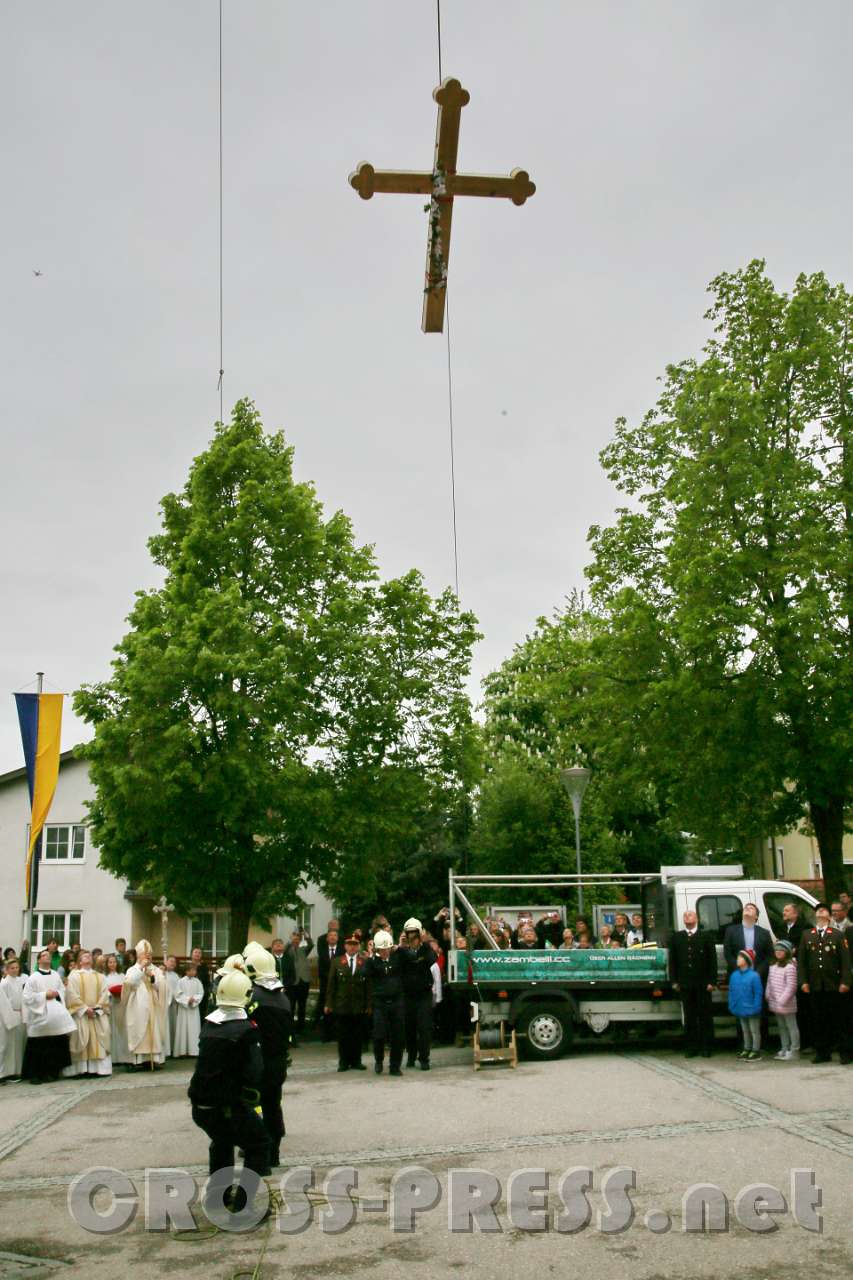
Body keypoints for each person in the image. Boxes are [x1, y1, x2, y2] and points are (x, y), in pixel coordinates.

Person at [188, 969, 271, 1216]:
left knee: (222, 1143)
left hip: (201, 1104)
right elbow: (255, 1073)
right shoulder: (247, 1029)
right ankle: (242, 1205)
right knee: (259, 1143)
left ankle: (217, 1200)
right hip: (225, 1104)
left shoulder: (209, 1024)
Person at [243, 943, 291, 1168]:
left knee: (251, 1107)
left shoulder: (253, 996)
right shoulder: (283, 998)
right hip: (278, 1061)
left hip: (258, 1061)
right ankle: (275, 1153)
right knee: (274, 1105)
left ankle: (259, 1154)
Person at [798, 903, 852, 1064]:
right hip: (815, 985)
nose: (820, 911)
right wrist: (803, 981)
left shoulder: (837, 935)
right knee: (819, 1020)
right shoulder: (807, 934)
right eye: (818, 910)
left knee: (839, 1020)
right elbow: (802, 961)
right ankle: (822, 1052)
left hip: (834, 984)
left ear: (829, 916)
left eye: (824, 910)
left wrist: (846, 981)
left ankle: (845, 1052)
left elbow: (846, 961)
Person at [21, 949, 75, 1083]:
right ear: (39, 960)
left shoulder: (56, 975)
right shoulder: (33, 977)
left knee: (56, 1042)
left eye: (49, 955)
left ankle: (53, 1072)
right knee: (39, 1044)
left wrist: (57, 993)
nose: (48, 957)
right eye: (44, 955)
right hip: (40, 1013)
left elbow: (61, 990)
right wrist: (44, 995)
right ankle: (36, 1074)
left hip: (55, 1014)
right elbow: (27, 997)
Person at [669, 910, 717, 1058]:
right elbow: (673, 961)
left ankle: (706, 1047)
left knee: (705, 1016)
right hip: (685, 983)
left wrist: (712, 981)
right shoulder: (677, 937)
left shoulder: (706, 936)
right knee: (689, 1017)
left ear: (697, 918)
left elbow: (712, 960)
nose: (687, 918)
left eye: (690, 915)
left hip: (702, 983)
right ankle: (691, 1047)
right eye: (685, 916)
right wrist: (674, 980)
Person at [325, 933, 370, 1072]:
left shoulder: (364, 962)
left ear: (358, 946)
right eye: (349, 944)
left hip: (358, 1005)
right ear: (345, 946)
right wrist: (328, 1004)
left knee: (357, 1035)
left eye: (355, 944)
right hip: (342, 1005)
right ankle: (343, 1062)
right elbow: (331, 985)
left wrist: (369, 1005)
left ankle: (356, 1061)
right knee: (343, 1035)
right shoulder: (337, 961)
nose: (352, 947)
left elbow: (368, 986)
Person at [63, 950, 112, 1077]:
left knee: (99, 1040)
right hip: (82, 1015)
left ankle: (98, 1069)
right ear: (79, 961)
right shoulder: (74, 976)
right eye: (85, 956)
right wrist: (85, 1009)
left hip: (96, 1014)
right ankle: (81, 1069)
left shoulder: (100, 976)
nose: (88, 957)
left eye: (89, 956)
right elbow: (71, 995)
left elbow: (105, 993)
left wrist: (97, 1008)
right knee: (81, 1038)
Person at [363, 929, 405, 1075]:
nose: (385, 952)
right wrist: (371, 957)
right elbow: (364, 973)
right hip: (380, 1003)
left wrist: (399, 947)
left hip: (396, 1002)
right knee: (379, 1035)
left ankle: (395, 1066)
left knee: (398, 1036)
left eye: (387, 948)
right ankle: (379, 1061)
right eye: (382, 949)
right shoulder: (373, 962)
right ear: (377, 949)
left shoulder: (397, 958)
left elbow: (411, 957)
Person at [122, 939, 167, 1070]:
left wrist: (152, 977)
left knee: (153, 1030)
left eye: (150, 955)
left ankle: (152, 1059)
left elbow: (161, 986)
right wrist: (141, 969)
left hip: (152, 1004)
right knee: (137, 1029)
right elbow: (129, 984)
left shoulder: (156, 969)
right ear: (138, 955)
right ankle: (138, 1060)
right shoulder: (132, 969)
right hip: (137, 1004)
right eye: (145, 954)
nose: (148, 957)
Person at [398, 918, 435, 1070]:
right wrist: (401, 946)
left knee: (424, 1027)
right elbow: (397, 964)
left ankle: (424, 1058)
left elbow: (433, 959)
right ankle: (411, 1056)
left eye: (415, 934)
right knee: (409, 1028)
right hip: (408, 995)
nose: (412, 938)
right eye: (409, 934)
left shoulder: (426, 949)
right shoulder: (401, 951)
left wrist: (425, 944)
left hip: (424, 994)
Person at [723, 903, 773, 983]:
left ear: (756, 916)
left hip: (758, 977)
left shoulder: (765, 933)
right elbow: (728, 954)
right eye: (746, 908)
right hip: (737, 975)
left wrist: (758, 972)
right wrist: (740, 968)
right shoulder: (731, 931)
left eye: (751, 908)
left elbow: (769, 956)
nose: (747, 908)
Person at [728, 949, 764, 1060]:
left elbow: (758, 993)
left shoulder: (754, 976)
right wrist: (732, 1004)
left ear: (747, 960)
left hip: (752, 1008)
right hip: (740, 1008)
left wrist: (756, 1006)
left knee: (754, 1030)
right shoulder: (734, 975)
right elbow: (731, 991)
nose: (737, 960)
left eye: (740, 957)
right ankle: (747, 1048)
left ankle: (756, 1050)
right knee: (745, 1030)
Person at [766, 939, 799, 1060]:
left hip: (786, 1003)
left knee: (791, 1026)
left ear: (787, 952)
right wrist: (768, 994)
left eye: (782, 950)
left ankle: (794, 1049)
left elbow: (791, 986)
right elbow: (769, 982)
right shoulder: (773, 966)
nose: (778, 952)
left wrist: (782, 1000)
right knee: (781, 1026)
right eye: (777, 950)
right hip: (775, 1002)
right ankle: (784, 1047)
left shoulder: (790, 967)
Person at [285, 930, 313, 1042]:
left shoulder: (303, 950)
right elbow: (285, 948)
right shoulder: (288, 950)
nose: (296, 940)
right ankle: (290, 1028)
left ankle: (301, 1028)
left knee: (302, 1005)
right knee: (291, 1006)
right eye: (294, 938)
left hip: (304, 981)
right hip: (293, 982)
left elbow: (310, 945)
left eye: (298, 938)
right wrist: (290, 941)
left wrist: (307, 937)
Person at [0, 958, 27, 1079]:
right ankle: (7, 1072)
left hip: (19, 1013)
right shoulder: (4, 983)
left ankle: (18, 1069)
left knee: (19, 1043)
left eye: (17, 967)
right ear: (7, 969)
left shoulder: (19, 981)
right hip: (9, 1014)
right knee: (9, 1043)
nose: (15, 970)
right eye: (12, 968)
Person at [315, 928, 343, 1041]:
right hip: (325, 984)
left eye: (335, 935)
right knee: (326, 1008)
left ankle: (336, 1033)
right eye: (330, 935)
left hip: (338, 984)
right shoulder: (322, 951)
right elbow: (321, 968)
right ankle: (325, 1034)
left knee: (337, 1008)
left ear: (337, 938)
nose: (332, 937)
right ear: (327, 939)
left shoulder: (341, 951)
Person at [104, 954, 130, 1068]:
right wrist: (110, 993)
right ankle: (112, 1057)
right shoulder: (104, 977)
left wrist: (121, 992)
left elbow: (126, 988)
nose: (112, 964)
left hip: (120, 1004)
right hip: (110, 1005)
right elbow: (103, 991)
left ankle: (122, 1056)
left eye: (114, 962)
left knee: (121, 1030)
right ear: (106, 964)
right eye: (110, 962)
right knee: (111, 1030)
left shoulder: (122, 975)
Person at [173, 962, 204, 1057]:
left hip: (193, 1009)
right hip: (184, 1009)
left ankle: (194, 1051)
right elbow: (178, 994)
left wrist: (194, 999)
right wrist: (187, 1000)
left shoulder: (197, 981)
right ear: (187, 971)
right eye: (192, 970)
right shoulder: (181, 981)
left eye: (195, 970)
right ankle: (182, 1051)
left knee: (194, 1029)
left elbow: (201, 993)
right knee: (183, 1028)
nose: (194, 972)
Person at [163, 955, 181, 1052]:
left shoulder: (176, 976)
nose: (172, 963)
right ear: (166, 962)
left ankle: (173, 1048)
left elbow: (179, 989)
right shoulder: (162, 974)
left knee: (173, 1025)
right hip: (165, 1003)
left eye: (174, 962)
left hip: (174, 1003)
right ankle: (166, 1049)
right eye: (170, 961)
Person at [189, 947, 211, 1018]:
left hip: (201, 994)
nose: (197, 954)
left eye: (199, 953)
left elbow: (207, 981)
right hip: (189, 994)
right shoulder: (187, 966)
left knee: (201, 1015)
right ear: (191, 954)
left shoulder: (204, 967)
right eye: (195, 952)